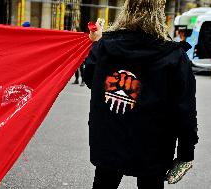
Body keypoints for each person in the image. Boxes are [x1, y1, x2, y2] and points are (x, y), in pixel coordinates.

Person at [83, 0, 198, 189]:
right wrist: (186, 153)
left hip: (109, 139)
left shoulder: (105, 47)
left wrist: (98, 45)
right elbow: (185, 110)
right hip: (153, 146)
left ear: (126, 10)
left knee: (104, 182)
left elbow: (91, 81)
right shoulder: (174, 56)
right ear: (159, 13)